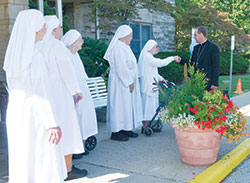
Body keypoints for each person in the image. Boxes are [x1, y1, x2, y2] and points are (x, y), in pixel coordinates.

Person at [3, 9, 67, 183]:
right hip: (36, 115)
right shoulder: (35, 56)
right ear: (36, 30)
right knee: (42, 160)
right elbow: (42, 93)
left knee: (23, 157)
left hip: (17, 112)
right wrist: (52, 124)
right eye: (43, 25)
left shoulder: (13, 57)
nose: (46, 28)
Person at [41, 15, 87, 180]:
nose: (62, 30)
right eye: (60, 27)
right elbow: (67, 71)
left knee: (50, 132)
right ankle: (67, 169)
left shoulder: (39, 46)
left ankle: (54, 166)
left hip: (45, 94)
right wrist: (76, 90)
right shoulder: (57, 46)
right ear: (54, 29)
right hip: (60, 94)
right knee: (66, 129)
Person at [61, 29, 98, 157]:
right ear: (73, 42)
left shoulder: (75, 55)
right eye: (80, 40)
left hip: (81, 91)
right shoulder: (66, 55)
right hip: (74, 93)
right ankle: (73, 149)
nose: (82, 42)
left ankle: (80, 143)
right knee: (75, 119)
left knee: (83, 117)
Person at [104, 25, 143, 141]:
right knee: (119, 106)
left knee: (127, 105)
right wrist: (129, 81)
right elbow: (121, 67)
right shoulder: (118, 48)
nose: (131, 38)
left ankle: (126, 128)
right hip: (120, 83)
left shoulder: (124, 47)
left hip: (126, 81)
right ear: (124, 36)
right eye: (130, 36)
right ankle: (117, 131)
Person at [138, 40, 180, 132]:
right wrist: (173, 58)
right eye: (156, 47)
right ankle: (145, 126)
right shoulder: (147, 57)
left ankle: (149, 125)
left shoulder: (149, 57)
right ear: (150, 47)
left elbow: (153, 72)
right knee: (148, 107)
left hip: (151, 85)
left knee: (151, 107)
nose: (158, 48)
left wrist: (162, 79)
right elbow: (161, 63)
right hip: (148, 87)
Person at [177, 26, 220, 91]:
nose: (194, 37)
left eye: (195, 35)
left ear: (201, 34)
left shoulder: (213, 48)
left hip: (207, 81)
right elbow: (192, 63)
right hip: (195, 80)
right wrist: (181, 61)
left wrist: (214, 83)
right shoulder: (196, 48)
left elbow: (216, 67)